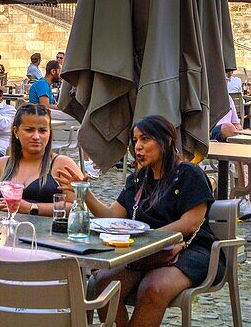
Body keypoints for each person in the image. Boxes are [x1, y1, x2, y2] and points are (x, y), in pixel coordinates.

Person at [56, 115, 220, 327]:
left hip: (190, 250)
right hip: (144, 252)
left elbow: (190, 223)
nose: (138, 147)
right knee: (103, 283)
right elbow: (112, 217)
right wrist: (84, 193)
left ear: (167, 140)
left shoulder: (189, 173)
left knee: (153, 288)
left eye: (145, 139)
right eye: (135, 141)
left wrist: (149, 240)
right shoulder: (138, 179)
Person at [0, 103, 84, 216]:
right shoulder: (2, 164)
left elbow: (78, 206)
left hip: (49, 232)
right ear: (16, 132)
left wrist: (32, 208)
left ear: (50, 133)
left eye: (42, 131)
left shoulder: (62, 164)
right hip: (4, 231)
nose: (36, 137)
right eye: (29, 130)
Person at [210, 96, 251, 219]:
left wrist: (240, 132)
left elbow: (237, 124)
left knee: (237, 155)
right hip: (210, 135)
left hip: (229, 138)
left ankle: (242, 199)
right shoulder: (204, 93)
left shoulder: (227, 97)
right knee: (229, 129)